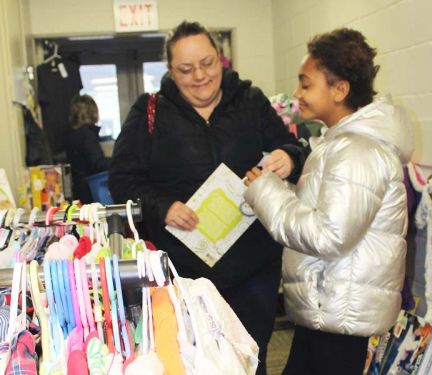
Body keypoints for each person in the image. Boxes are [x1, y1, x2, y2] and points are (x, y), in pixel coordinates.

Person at [109, 21, 306, 374]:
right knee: (192, 359)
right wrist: (162, 206)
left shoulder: (250, 99)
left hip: (253, 264)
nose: (200, 76)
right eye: (186, 69)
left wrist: (288, 157)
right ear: (170, 70)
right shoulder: (150, 112)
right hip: (184, 268)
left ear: (221, 59)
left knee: (250, 355)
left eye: (208, 63)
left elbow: (291, 146)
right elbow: (122, 180)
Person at [244, 28, 414, 374]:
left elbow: (329, 235)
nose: (297, 94)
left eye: (306, 84)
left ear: (340, 90)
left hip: (340, 310)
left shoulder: (357, 152)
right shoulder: (342, 145)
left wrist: (266, 192)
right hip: (329, 306)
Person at [66, 94, 111, 203]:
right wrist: (120, 161)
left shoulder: (71, 135)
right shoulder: (87, 135)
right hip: (92, 191)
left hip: (79, 190)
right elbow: (97, 164)